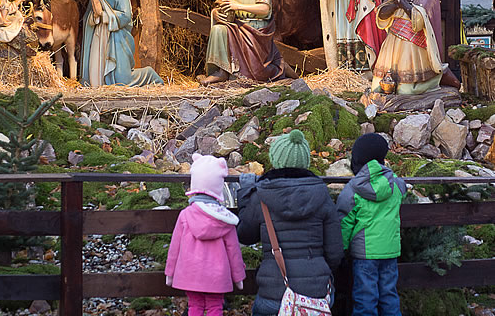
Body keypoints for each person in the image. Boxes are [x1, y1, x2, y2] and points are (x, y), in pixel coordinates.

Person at [236, 129, 343, 316]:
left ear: (276, 160)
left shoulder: (260, 196)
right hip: (316, 297)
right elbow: (335, 252)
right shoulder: (322, 195)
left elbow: (244, 236)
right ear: (305, 161)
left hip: (274, 294)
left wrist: (246, 193)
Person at [165, 153, 246, 316]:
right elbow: (234, 251)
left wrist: (170, 273)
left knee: (194, 305)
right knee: (215, 307)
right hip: (217, 276)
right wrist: (238, 277)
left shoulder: (186, 215)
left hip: (190, 273)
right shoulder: (225, 219)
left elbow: (174, 247)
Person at [371, 0, 460, 94]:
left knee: (406, 90)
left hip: (412, 48)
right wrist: (396, 3)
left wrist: (402, 3)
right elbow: (382, 14)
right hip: (392, 44)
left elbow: (419, 22)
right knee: (377, 87)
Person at [336, 133, 407, 316]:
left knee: (365, 299)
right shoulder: (395, 185)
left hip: (364, 254)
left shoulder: (352, 189)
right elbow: (403, 186)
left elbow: (345, 221)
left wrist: (341, 249)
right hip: (390, 251)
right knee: (389, 296)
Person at [197, 0, 285, 86]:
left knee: (257, 71)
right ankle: (220, 72)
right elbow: (221, 3)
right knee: (218, 30)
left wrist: (237, 6)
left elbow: (264, 9)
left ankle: (244, 72)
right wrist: (216, 12)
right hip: (236, 25)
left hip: (255, 29)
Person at [80, 0, 163, 87]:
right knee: (97, 75)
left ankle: (149, 75)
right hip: (99, 41)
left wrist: (103, 14)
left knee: (123, 80)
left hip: (117, 42)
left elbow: (126, 17)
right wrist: (96, 16)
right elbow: (88, 19)